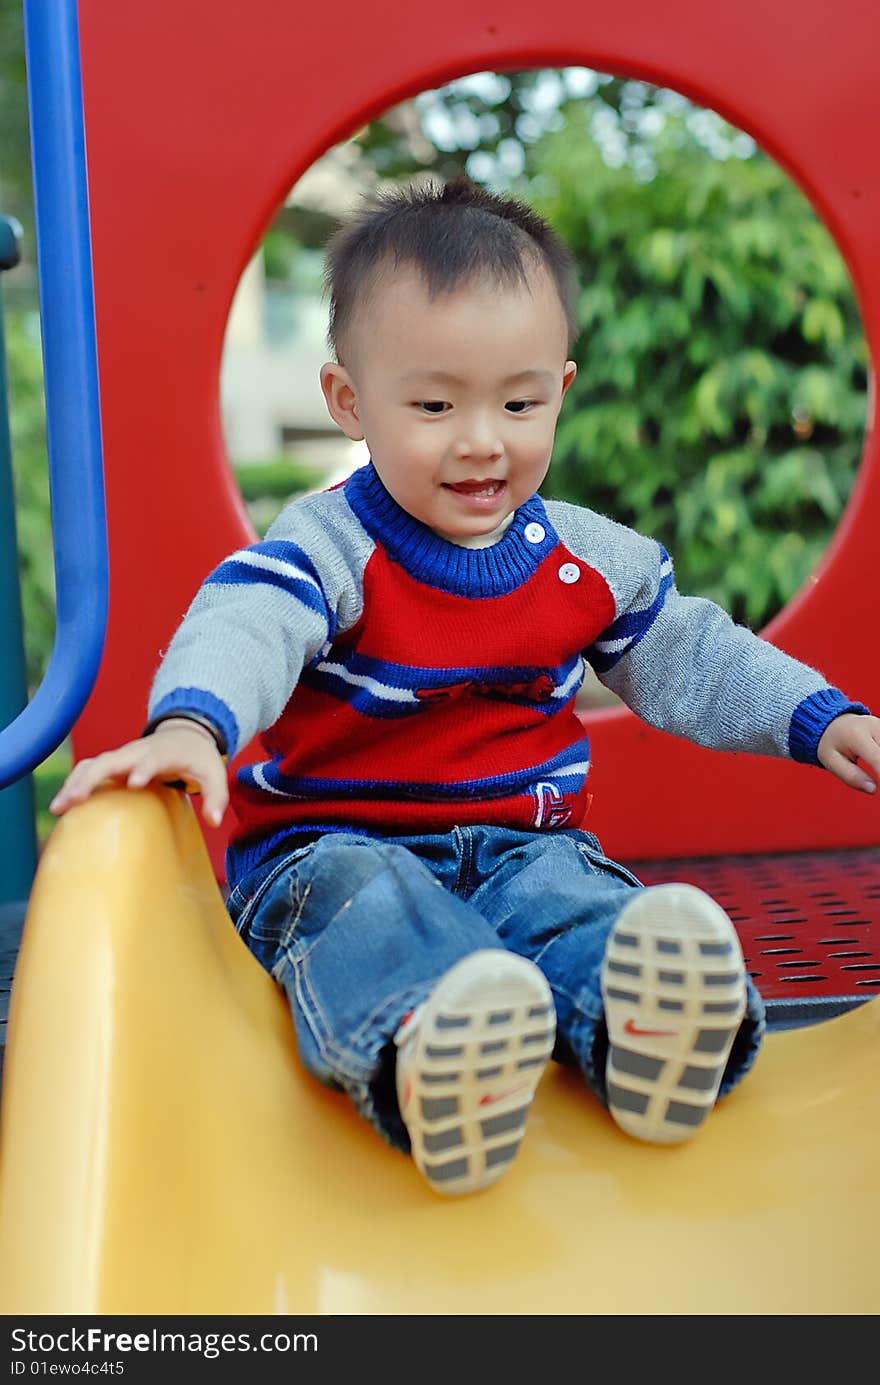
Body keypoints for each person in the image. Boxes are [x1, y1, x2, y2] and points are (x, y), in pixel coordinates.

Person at [51, 179, 880, 1196]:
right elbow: (248, 622)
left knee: (570, 899)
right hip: (334, 846)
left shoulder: (584, 560)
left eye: (519, 402)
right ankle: (428, 1046)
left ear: (560, 390)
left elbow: (691, 653)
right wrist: (192, 722)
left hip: (522, 846)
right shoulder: (330, 546)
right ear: (351, 403)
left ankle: (646, 1031)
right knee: (368, 908)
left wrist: (818, 716)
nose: (482, 438)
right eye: (435, 404)